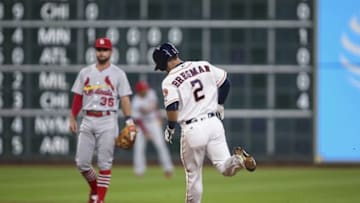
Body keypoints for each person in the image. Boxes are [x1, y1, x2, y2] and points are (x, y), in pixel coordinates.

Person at [152, 42, 256, 203]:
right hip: (214, 124)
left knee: (193, 175)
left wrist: (171, 128)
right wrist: (220, 104)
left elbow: (172, 107)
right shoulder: (203, 65)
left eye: (161, 65)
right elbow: (225, 82)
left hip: (193, 128)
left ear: (165, 60)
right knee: (225, 167)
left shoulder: (170, 80)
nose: (163, 69)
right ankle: (238, 160)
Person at [69, 37, 136, 203]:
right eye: (99, 49)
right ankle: (94, 189)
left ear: (110, 52)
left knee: (104, 163)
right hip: (88, 118)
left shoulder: (118, 74)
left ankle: (99, 199)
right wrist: (73, 116)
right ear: (95, 51)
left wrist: (129, 121)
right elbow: (78, 97)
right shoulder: (85, 73)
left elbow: (125, 99)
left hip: (107, 119)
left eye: (105, 49)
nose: (101, 52)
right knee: (82, 163)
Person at [131, 80, 174, 178]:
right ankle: (139, 171)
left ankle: (168, 169)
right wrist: (146, 132)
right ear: (139, 91)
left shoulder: (151, 93)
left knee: (160, 145)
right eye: (143, 89)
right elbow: (137, 119)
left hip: (153, 122)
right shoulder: (136, 101)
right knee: (139, 148)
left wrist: (158, 118)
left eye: (145, 88)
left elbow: (155, 107)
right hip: (141, 126)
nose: (145, 90)